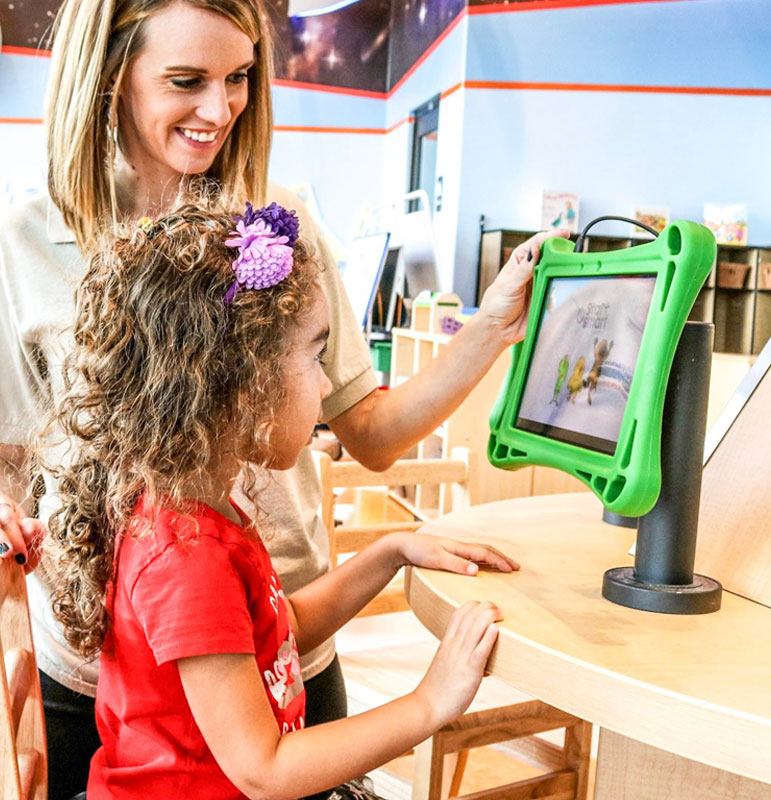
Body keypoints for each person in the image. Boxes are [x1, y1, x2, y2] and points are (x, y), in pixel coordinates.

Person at [0, 0, 565, 794]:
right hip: (99, 673)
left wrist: (489, 333)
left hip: (274, 647)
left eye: (238, 79)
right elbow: (14, 460)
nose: (220, 108)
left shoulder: (277, 227)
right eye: (187, 80)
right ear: (110, 74)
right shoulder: (23, 238)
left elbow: (366, 435)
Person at [42, 200, 516, 799]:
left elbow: (276, 627)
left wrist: (391, 551)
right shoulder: (185, 557)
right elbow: (264, 771)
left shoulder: (204, 508)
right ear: (237, 384)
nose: (325, 384)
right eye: (315, 356)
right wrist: (428, 703)